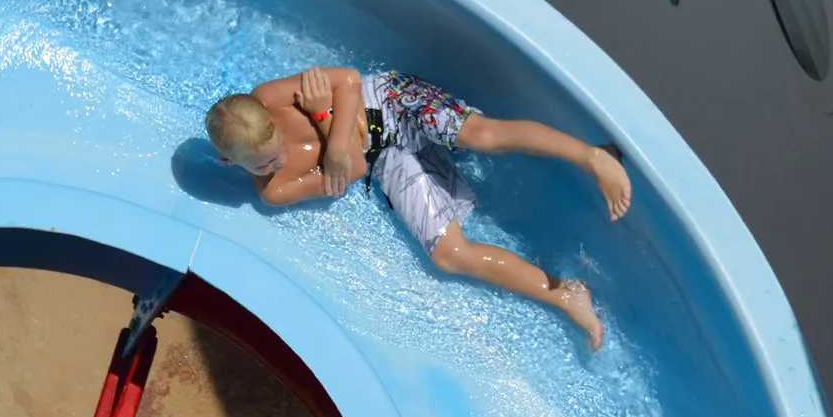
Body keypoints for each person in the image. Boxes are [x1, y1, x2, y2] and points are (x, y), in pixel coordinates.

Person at [206, 67, 631, 350]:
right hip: (381, 155)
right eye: (263, 164)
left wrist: (333, 137)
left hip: (388, 100)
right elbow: (352, 167)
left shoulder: (267, 99)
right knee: (451, 256)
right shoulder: (274, 190)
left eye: (277, 147)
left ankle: (592, 157)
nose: (277, 162)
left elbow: (352, 80)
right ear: (230, 163)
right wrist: (324, 118)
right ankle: (565, 293)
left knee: (481, 136)